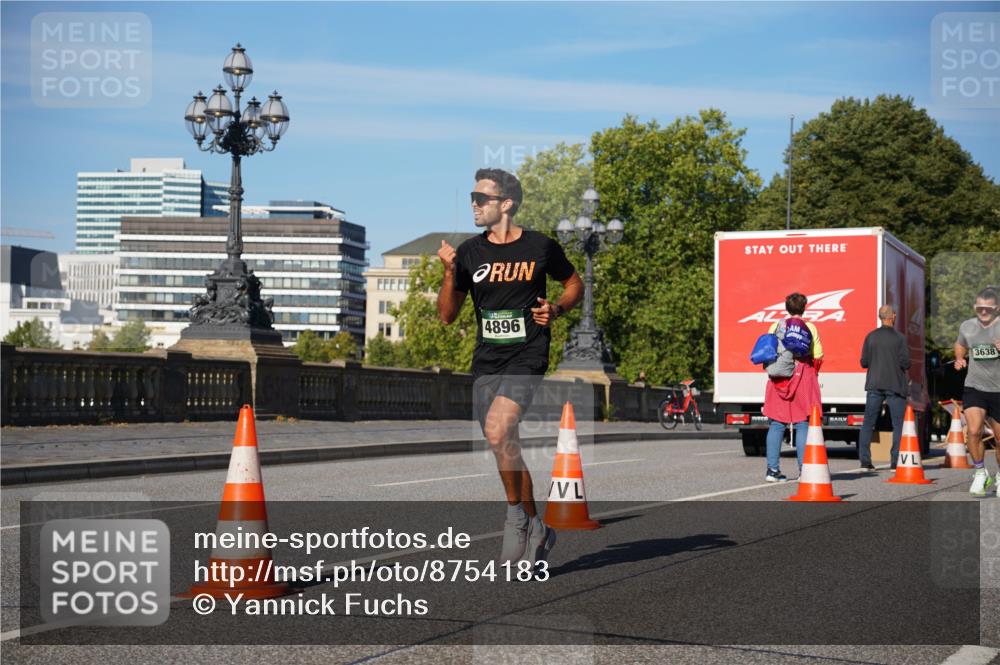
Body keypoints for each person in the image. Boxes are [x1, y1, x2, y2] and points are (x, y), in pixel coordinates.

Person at [437, 168, 584, 562]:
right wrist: (449, 273)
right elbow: (447, 316)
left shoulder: (540, 247)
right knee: (505, 444)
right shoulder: (469, 253)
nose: (473, 204)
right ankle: (537, 525)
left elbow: (575, 284)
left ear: (506, 204)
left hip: (528, 354)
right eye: (471, 198)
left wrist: (557, 309)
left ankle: (515, 519)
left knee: (498, 429)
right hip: (488, 359)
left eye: (480, 198)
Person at [761, 292, 824, 482]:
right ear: (804, 308)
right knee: (802, 422)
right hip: (802, 377)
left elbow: (769, 350)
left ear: (787, 308)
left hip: (779, 378)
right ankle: (804, 470)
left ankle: (772, 470)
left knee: (776, 423)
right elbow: (818, 355)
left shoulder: (776, 326)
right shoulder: (810, 327)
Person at [954, 287, 1000, 497]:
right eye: (979, 308)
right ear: (975, 307)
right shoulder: (967, 326)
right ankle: (980, 472)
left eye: (987, 309)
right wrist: (959, 358)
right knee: (973, 431)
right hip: (974, 386)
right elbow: (960, 344)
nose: (983, 312)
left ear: (996, 308)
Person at [857, 305, 910, 471]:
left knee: (868, 423)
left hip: (874, 384)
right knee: (898, 424)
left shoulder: (870, 337)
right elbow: (906, 363)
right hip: (895, 385)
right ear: (893, 316)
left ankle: (865, 461)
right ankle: (895, 461)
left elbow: (864, 362)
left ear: (880, 317)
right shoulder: (900, 338)